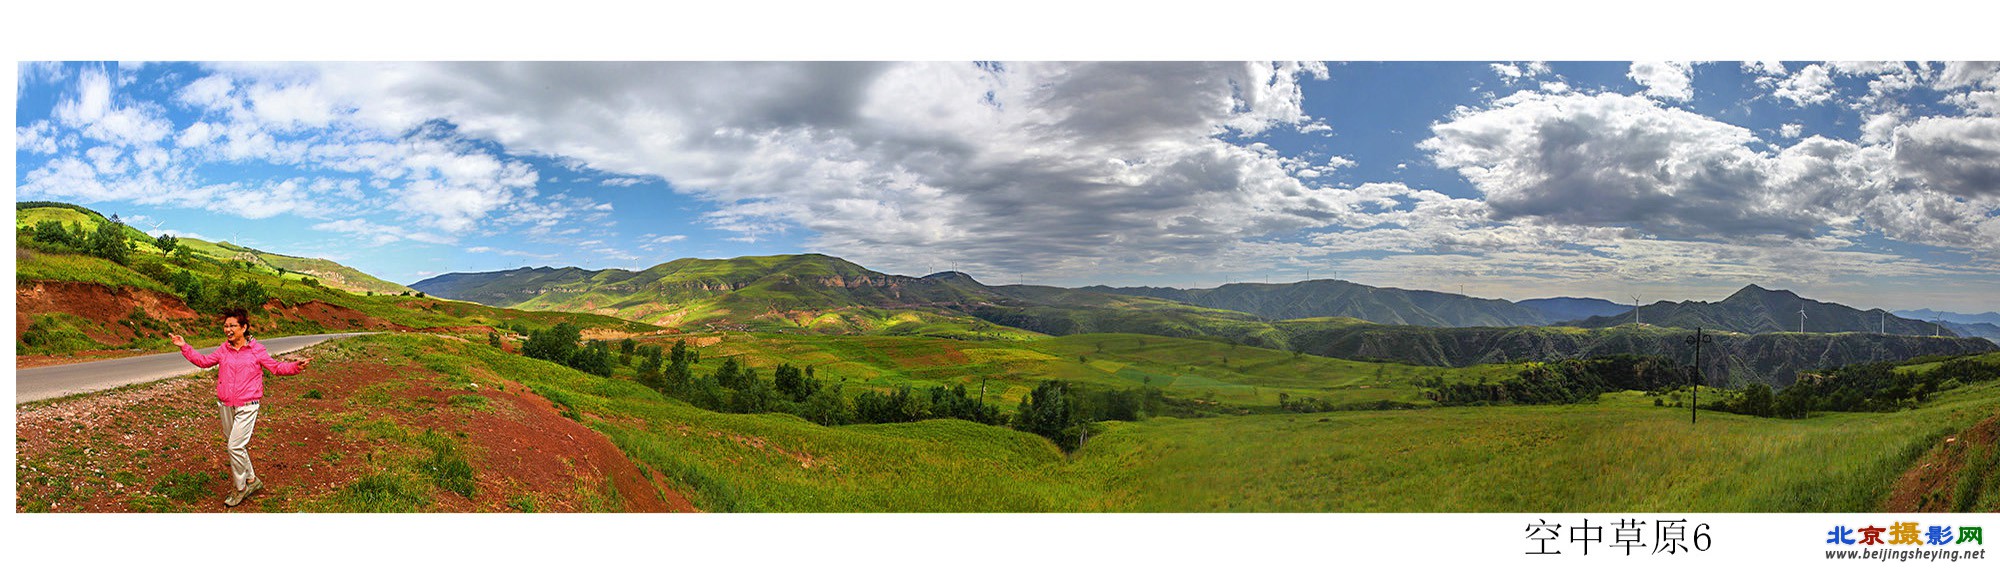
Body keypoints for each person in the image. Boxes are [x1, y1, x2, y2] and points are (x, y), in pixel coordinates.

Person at [169, 308, 311, 507]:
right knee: (237, 446)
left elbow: (276, 367)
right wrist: (184, 346)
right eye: (226, 326)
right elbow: (203, 362)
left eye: (233, 326)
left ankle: (240, 488)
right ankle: (252, 480)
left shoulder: (256, 350)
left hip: (248, 405)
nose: (228, 329)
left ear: (244, 328)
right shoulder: (223, 349)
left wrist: (295, 366)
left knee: (234, 446)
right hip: (225, 405)